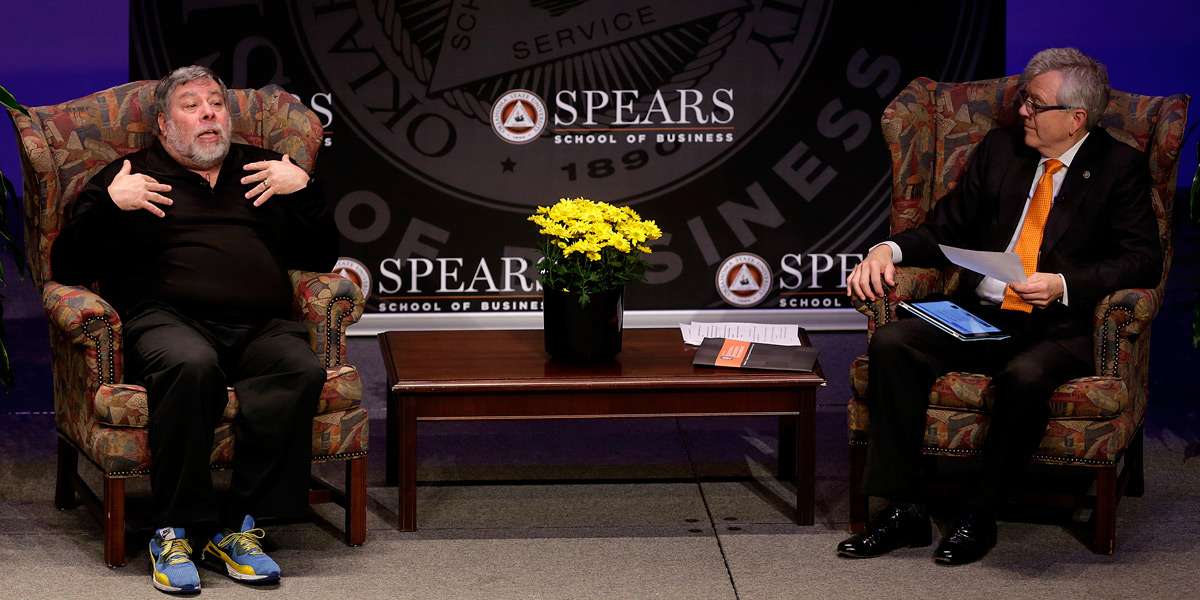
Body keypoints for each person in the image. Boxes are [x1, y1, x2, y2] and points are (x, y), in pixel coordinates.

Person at [838, 48, 1162, 565]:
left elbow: (1144, 260)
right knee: (894, 340)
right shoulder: (1000, 149)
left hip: (1059, 324)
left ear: (1076, 118)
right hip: (982, 312)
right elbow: (946, 227)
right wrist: (887, 249)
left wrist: (1062, 283)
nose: (1023, 113)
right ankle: (905, 509)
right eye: (1024, 102)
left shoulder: (1118, 167)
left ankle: (980, 514)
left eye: (1035, 105)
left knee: (1026, 376)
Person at [51, 65, 337, 593]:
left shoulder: (265, 171)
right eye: (192, 105)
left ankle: (239, 529)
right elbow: (64, 266)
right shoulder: (129, 176)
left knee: (298, 365)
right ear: (164, 124)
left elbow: (321, 257)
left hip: (258, 326)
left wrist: (305, 190)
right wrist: (112, 209)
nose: (208, 113)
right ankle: (175, 528)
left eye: (216, 103)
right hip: (165, 321)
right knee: (191, 363)